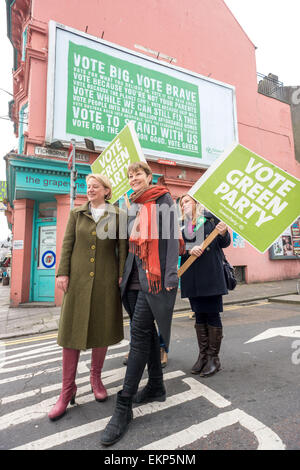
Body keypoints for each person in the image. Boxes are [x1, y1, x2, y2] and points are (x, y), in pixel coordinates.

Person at [101, 161, 181, 446]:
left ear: (149, 176)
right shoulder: (133, 205)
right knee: (145, 338)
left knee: (137, 337)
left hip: (154, 280)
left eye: (138, 174)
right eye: (130, 175)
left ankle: (123, 408)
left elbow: (172, 238)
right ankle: (156, 387)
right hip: (133, 281)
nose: (133, 178)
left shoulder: (164, 199)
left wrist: (171, 274)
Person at [48, 174, 127, 421]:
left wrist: (121, 275)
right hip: (78, 279)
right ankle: (67, 390)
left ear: (106, 190)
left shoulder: (118, 215)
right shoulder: (76, 214)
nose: (90, 189)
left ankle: (96, 379)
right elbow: (67, 244)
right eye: (88, 186)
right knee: (71, 332)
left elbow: (122, 248)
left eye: (95, 186)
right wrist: (62, 272)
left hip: (105, 280)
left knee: (101, 329)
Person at [179, 194, 231, 378]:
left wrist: (224, 231)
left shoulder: (210, 218)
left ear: (196, 203)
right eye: (182, 202)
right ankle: (202, 356)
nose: (184, 204)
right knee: (199, 315)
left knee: (212, 314)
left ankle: (213, 359)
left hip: (210, 274)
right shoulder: (181, 225)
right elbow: (175, 247)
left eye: (187, 201)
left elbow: (224, 243)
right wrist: (187, 249)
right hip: (192, 275)